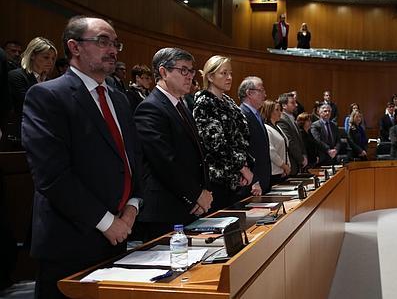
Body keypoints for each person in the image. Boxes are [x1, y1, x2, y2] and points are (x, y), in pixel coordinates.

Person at [21, 16, 141, 299]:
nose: (112, 49)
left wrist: (132, 207)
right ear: (74, 46)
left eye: (115, 43)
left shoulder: (119, 98)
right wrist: (107, 222)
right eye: (102, 41)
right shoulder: (46, 96)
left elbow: (134, 159)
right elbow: (52, 176)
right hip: (72, 239)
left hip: (119, 234)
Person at [134, 47, 212, 240]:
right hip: (164, 209)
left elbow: (197, 154)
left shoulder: (180, 105)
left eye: (192, 71)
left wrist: (203, 191)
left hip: (186, 204)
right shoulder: (150, 107)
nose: (190, 77)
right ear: (163, 72)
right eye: (183, 70)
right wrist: (195, 194)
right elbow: (164, 161)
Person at [193, 55, 253, 211]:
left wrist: (244, 167)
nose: (229, 77)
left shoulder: (228, 101)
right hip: (217, 180)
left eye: (230, 73)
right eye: (224, 73)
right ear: (211, 76)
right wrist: (242, 168)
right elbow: (216, 144)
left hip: (235, 179)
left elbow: (241, 138)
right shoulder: (204, 102)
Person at [7, 37, 57, 135]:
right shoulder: (16, 76)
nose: (50, 62)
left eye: (53, 58)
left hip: (45, 131)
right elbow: (28, 105)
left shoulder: (49, 81)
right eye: (46, 57)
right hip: (21, 132)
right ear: (33, 55)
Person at [239, 76, 271, 194]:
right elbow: (244, 151)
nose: (265, 95)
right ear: (249, 93)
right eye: (261, 90)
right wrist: (254, 180)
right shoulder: (241, 115)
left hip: (262, 180)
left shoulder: (257, 115)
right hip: (251, 183)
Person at [277, 92, 307, 176]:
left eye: (295, 102)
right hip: (292, 161)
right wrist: (301, 159)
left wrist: (304, 155)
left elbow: (300, 140)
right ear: (284, 105)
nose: (296, 105)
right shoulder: (282, 120)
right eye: (292, 103)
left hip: (298, 161)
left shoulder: (292, 117)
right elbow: (290, 142)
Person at [261, 100, 290, 185]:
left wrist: (287, 166)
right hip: (274, 172)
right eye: (277, 110)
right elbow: (271, 152)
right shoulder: (266, 128)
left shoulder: (277, 127)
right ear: (269, 111)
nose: (280, 112)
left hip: (282, 171)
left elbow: (285, 147)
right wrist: (284, 166)